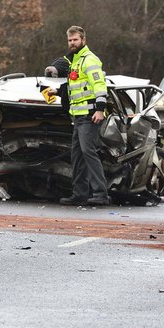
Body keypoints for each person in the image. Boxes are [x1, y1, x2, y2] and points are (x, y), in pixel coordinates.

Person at [48, 25, 110, 206]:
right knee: (77, 156)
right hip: (78, 117)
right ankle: (80, 194)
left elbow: (99, 85)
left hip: (89, 116)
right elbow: (77, 87)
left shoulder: (89, 60)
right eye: (70, 40)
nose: (72, 43)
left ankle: (100, 194)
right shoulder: (75, 61)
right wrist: (57, 91)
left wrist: (100, 109)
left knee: (88, 153)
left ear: (83, 40)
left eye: (75, 40)